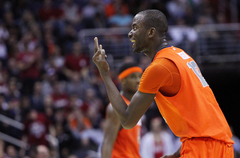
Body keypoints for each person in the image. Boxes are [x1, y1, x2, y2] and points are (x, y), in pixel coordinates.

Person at [92, 9, 234, 158]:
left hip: (202, 150)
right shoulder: (182, 55)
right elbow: (201, 117)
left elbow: (127, 120)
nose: (130, 33)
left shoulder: (159, 67)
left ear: (151, 32)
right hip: (222, 146)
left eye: (135, 28)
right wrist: (176, 154)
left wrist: (104, 73)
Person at [101, 62, 142, 158]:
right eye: (133, 77)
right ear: (123, 80)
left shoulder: (135, 105)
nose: (138, 80)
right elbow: (107, 143)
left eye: (140, 76)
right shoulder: (116, 108)